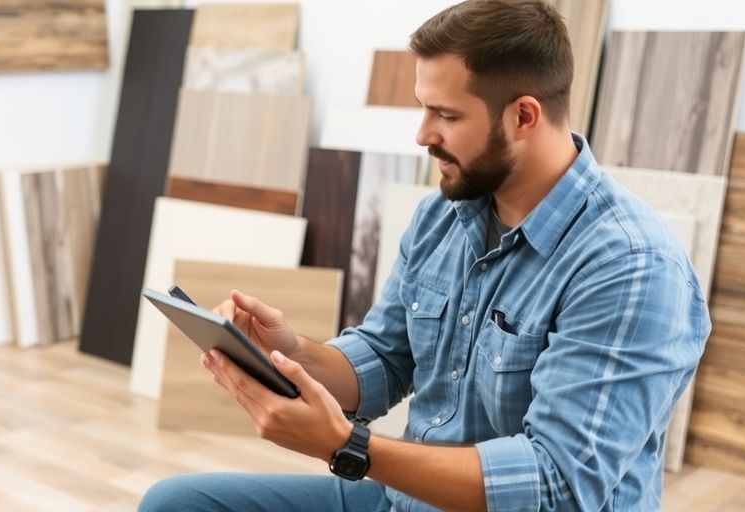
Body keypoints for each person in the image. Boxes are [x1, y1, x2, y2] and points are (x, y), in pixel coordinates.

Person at [140, 0, 710, 510]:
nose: (421, 134)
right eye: (422, 108)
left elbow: (556, 485)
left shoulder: (630, 267)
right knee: (177, 503)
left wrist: (348, 446)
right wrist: (290, 356)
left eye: (447, 115)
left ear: (523, 116)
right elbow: (387, 356)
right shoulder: (446, 212)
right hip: (409, 498)